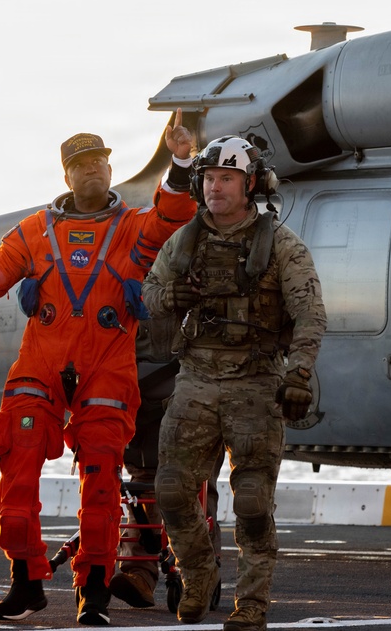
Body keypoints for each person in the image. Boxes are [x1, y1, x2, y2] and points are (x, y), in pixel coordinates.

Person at [0, 122, 197, 626]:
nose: (93, 168)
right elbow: (2, 265)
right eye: (81, 163)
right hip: (41, 364)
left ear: (110, 169)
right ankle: (26, 580)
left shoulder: (132, 227)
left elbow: (173, 216)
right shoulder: (37, 229)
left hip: (106, 366)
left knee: (102, 480)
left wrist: (178, 164)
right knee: (17, 471)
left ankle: (93, 593)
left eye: (99, 161)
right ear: (67, 174)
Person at [142, 135, 326, 630]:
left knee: (251, 500)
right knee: (173, 491)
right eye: (208, 178)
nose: (215, 187)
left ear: (250, 185)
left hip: (256, 381)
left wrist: (300, 373)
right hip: (196, 378)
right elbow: (151, 293)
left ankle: (252, 604)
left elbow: (310, 314)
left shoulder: (281, 245)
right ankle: (198, 573)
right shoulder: (185, 241)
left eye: (226, 178)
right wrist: (171, 295)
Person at [109, 315, 224, 609]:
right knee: (142, 488)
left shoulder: (196, 280)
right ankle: (139, 574)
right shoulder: (129, 281)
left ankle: (198, 576)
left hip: (193, 396)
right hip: (141, 400)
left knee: (195, 486)